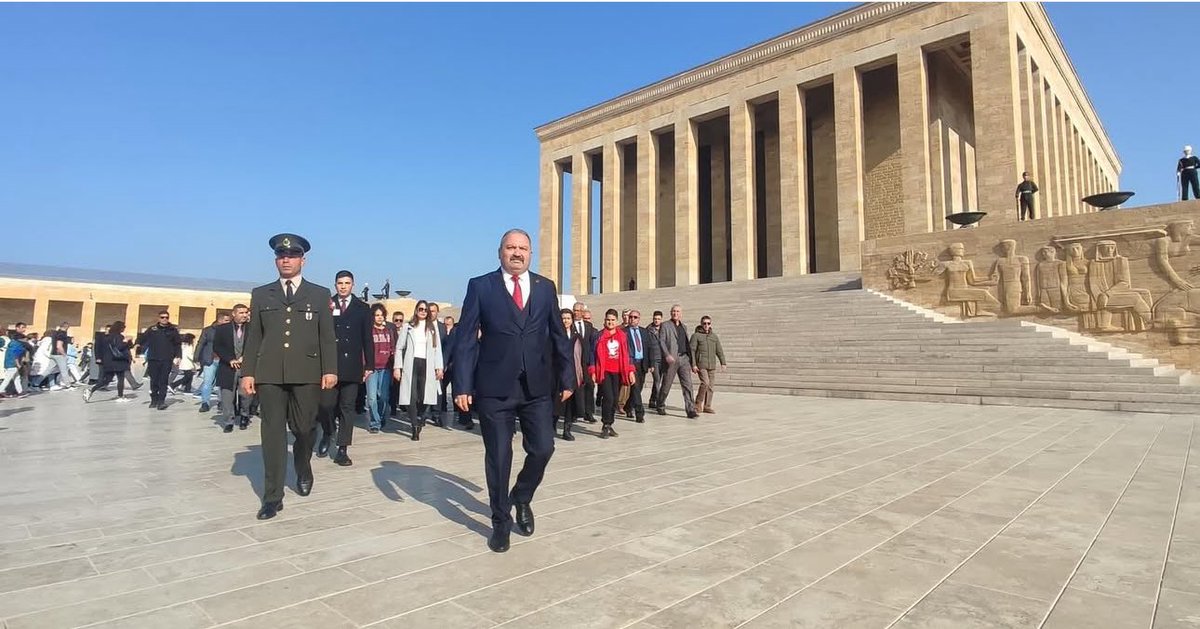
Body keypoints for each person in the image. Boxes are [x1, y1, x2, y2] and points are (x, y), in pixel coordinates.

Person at [452, 228, 573, 553]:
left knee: (544, 448)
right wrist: (462, 384)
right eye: (510, 247)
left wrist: (568, 376)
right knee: (499, 456)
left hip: (536, 386)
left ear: (530, 254)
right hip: (494, 388)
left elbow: (558, 335)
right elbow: (466, 339)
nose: (517, 253)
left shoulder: (545, 287)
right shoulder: (481, 286)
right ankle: (500, 522)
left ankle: (521, 495)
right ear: (500, 252)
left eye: (523, 248)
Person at [241, 233, 337, 521]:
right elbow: (254, 336)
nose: (286, 260)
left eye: (292, 256)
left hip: (307, 372)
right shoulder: (262, 294)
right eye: (282, 256)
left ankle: (303, 466)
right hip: (269, 373)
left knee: (304, 428)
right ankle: (272, 497)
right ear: (276, 261)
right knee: (272, 433)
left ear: (302, 261)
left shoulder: (319, 294)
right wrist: (248, 372)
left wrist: (330, 369)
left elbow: (326, 336)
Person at [317, 270, 373, 466]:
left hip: (352, 365)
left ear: (353, 285)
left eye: (347, 283)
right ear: (335, 285)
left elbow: (367, 338)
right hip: (330, 364)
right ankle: (328, 432)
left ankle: (342, 448)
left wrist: (369, 364)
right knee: (325, 405)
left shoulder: (362, 308)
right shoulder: (327, 304)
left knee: (347, 408)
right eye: (340, 283)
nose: (343, 286)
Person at [395, 300, 444, 441]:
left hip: (427, 363)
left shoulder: (432, 328)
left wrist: (439, 367)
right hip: (411, 363)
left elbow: (437, 349)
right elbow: (399, 347)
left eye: (425, 310)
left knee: (425, 396)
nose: (423, 312)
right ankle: (414, 425)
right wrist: (397, 367)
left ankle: (421, 417)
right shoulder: (408, 327)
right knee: (411, 395)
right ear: (416, 310)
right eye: (420, 309)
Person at [589, 308, 636, 439]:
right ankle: (605, 424)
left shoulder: (623, 336)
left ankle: (610, 424)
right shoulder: (598, 336)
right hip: (604, 371)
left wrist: (631, 371)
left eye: (613, 320)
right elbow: (592, 354)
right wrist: (592, 370)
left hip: (619, 371)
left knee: (615, 399)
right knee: (608, 398)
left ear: (617, 321)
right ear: (605, 320)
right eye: (608, 320)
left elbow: (629, 354)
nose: (610, 322)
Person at [213, 304, 253, 433]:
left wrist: (245, 357)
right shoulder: (222, 329)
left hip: (246, 367)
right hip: (227, 367)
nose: (244, 315)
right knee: (227, 397)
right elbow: (217, 347)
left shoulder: (253, 328)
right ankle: (228, 421)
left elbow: (257, 346)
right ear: (234, 314)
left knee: (245, 395)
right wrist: (230, 359)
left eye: (246, 312)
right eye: (241, 313)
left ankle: (244, 416)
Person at [657, 304, 698, 418]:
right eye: (673, 311)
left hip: (684, 359)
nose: (675, 313)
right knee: (666, 384)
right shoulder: (665, 325)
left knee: (688, 385)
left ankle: (690, 409)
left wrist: (692, 362)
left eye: (677, 311)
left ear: (681, 313)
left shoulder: (683, 326)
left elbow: (687, 344)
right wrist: (667, 355)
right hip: (672, 359)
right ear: (671, 313)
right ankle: (660, 404)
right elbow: (661, 341)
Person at [135, 311, 182, 410]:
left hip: (166, 359)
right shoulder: (152, 329)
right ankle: (154, 400)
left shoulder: (173, 330)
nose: (164, 319)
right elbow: (142, 338)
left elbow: (177, 344)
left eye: (166, 317)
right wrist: (137, 343)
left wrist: (178, 356)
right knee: (154, 380)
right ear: (158, 318)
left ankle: (161, 401)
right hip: (153, 358)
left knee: (163, 380)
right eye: (162, 317)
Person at [555, 308, 588, 440]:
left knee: (570, 404)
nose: (565, 321)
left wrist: (584, 374)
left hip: (573, 373)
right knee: (557, 401)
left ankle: (567, 429)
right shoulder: (554, 334)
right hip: (558, 373)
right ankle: (552, 425)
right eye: (563, 318)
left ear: (572, 320)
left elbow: (582, 356)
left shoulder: (577, 337)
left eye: (568, 318)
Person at [365, 303, 396, 434]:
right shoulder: (368, 331)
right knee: (372, 398)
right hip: (371, 368)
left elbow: (394, 348)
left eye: (381, 315)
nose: (379, 317)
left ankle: (381, 417)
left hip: (386, 368)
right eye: (376, 315)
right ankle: (375, 423)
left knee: (383, 397)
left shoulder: (389, 330)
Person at [84, 321, 133, 403]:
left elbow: (128, 346)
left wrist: (129, 341)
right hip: (118, 361)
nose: (124, 329)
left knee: (107, 380)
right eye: (123, 327)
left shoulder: (106, 337)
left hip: (108, 361)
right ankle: (120, 396)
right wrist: (126, 340)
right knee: (120, 379)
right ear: (120, 328)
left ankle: (91, 390)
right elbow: (119, 347)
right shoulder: (119, 336)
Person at [689, 316, 727, 414]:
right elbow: (692, 351)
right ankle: (698, 403)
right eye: (704, 323)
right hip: (701, 364)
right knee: (705, 383)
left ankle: (707, 406)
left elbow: (719, 350)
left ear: (710, 324)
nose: (706, 325)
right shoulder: (696, 336)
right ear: (701, 324)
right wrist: (693, 364)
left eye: (708, 323)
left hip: (712, 365)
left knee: (710, 386)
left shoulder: (714, 337)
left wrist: (723, 362)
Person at [193, 314, 229, 412]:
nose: (228, 322)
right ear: (219, 320)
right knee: (207, 382)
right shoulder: (208, 330)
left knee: (222, 383)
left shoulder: (229, 331)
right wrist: (196, 356)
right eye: (226, 320)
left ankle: (221, 402)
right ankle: (205, 403)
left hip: (224, 360)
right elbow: (201, 343)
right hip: (210, 360)